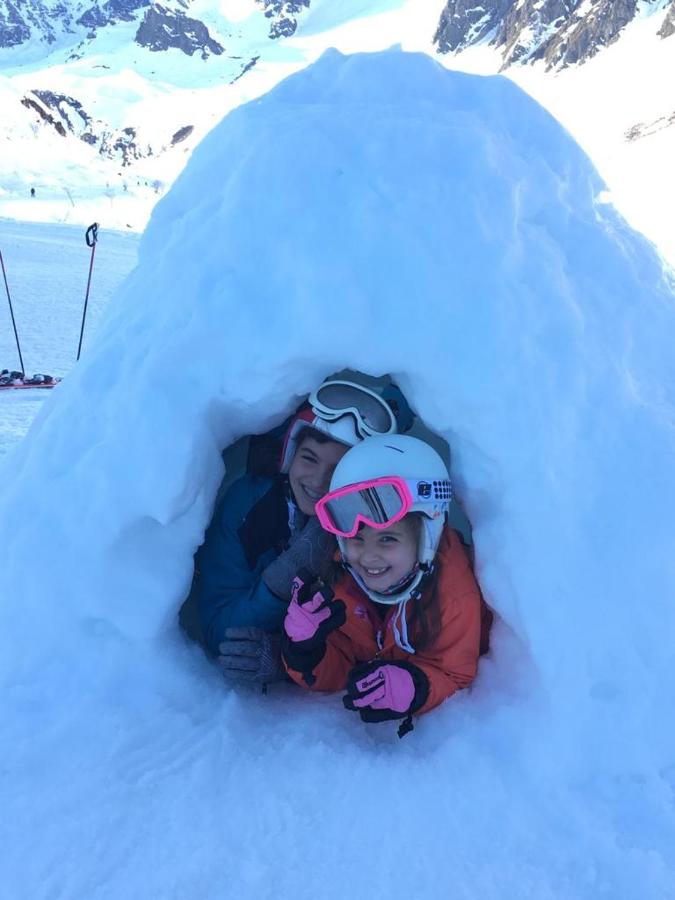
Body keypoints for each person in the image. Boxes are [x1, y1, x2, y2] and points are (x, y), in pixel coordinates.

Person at [191, 378, 414, 686]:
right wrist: (281, 581)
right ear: (289, 455)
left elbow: (370, 644)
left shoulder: (376, 532)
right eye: (309, 458)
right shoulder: (247, 507)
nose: (320, 480)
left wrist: (286, 659)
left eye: (339, 468)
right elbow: (222, 632)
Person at [281, 434, 491, 736]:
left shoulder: (453, 597)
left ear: (426, 536)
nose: (367, 556)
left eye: (388, 538)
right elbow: (340, 666)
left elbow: (454, 672)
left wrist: (416, 686)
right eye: (356, 538)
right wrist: (304, 650)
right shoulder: (340, 581)